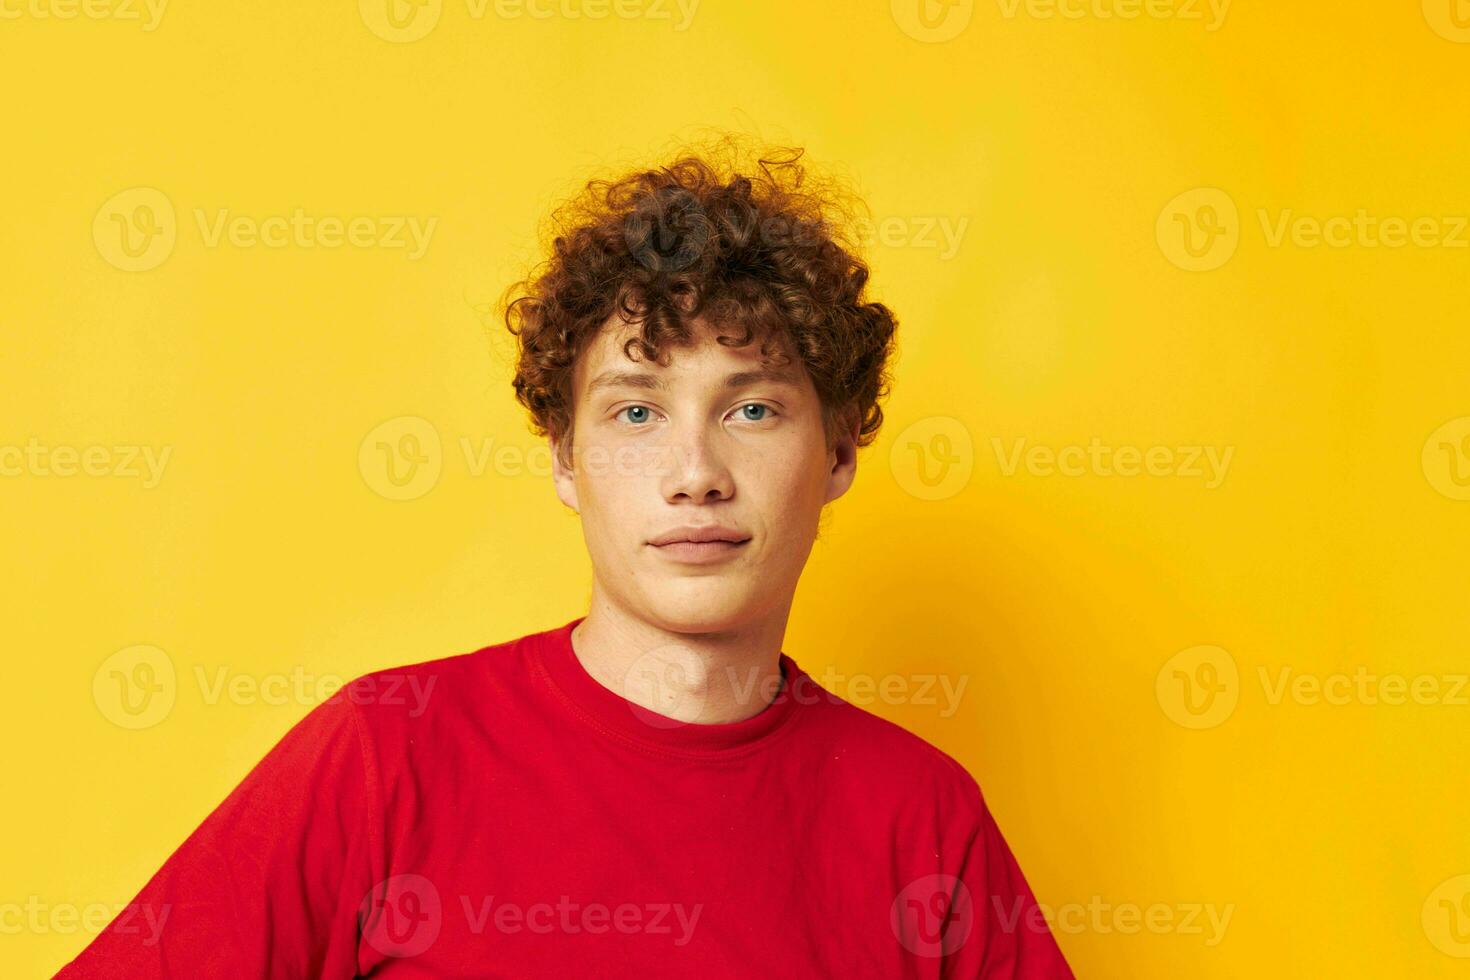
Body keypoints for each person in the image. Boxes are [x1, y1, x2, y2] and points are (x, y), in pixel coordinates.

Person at [56, 141, 1074, 977]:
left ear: (842, 448)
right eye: (636, 410)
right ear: (566, 458)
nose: (694, 473)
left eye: (752, 408)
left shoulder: (923, 818)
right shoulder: (382, 755)